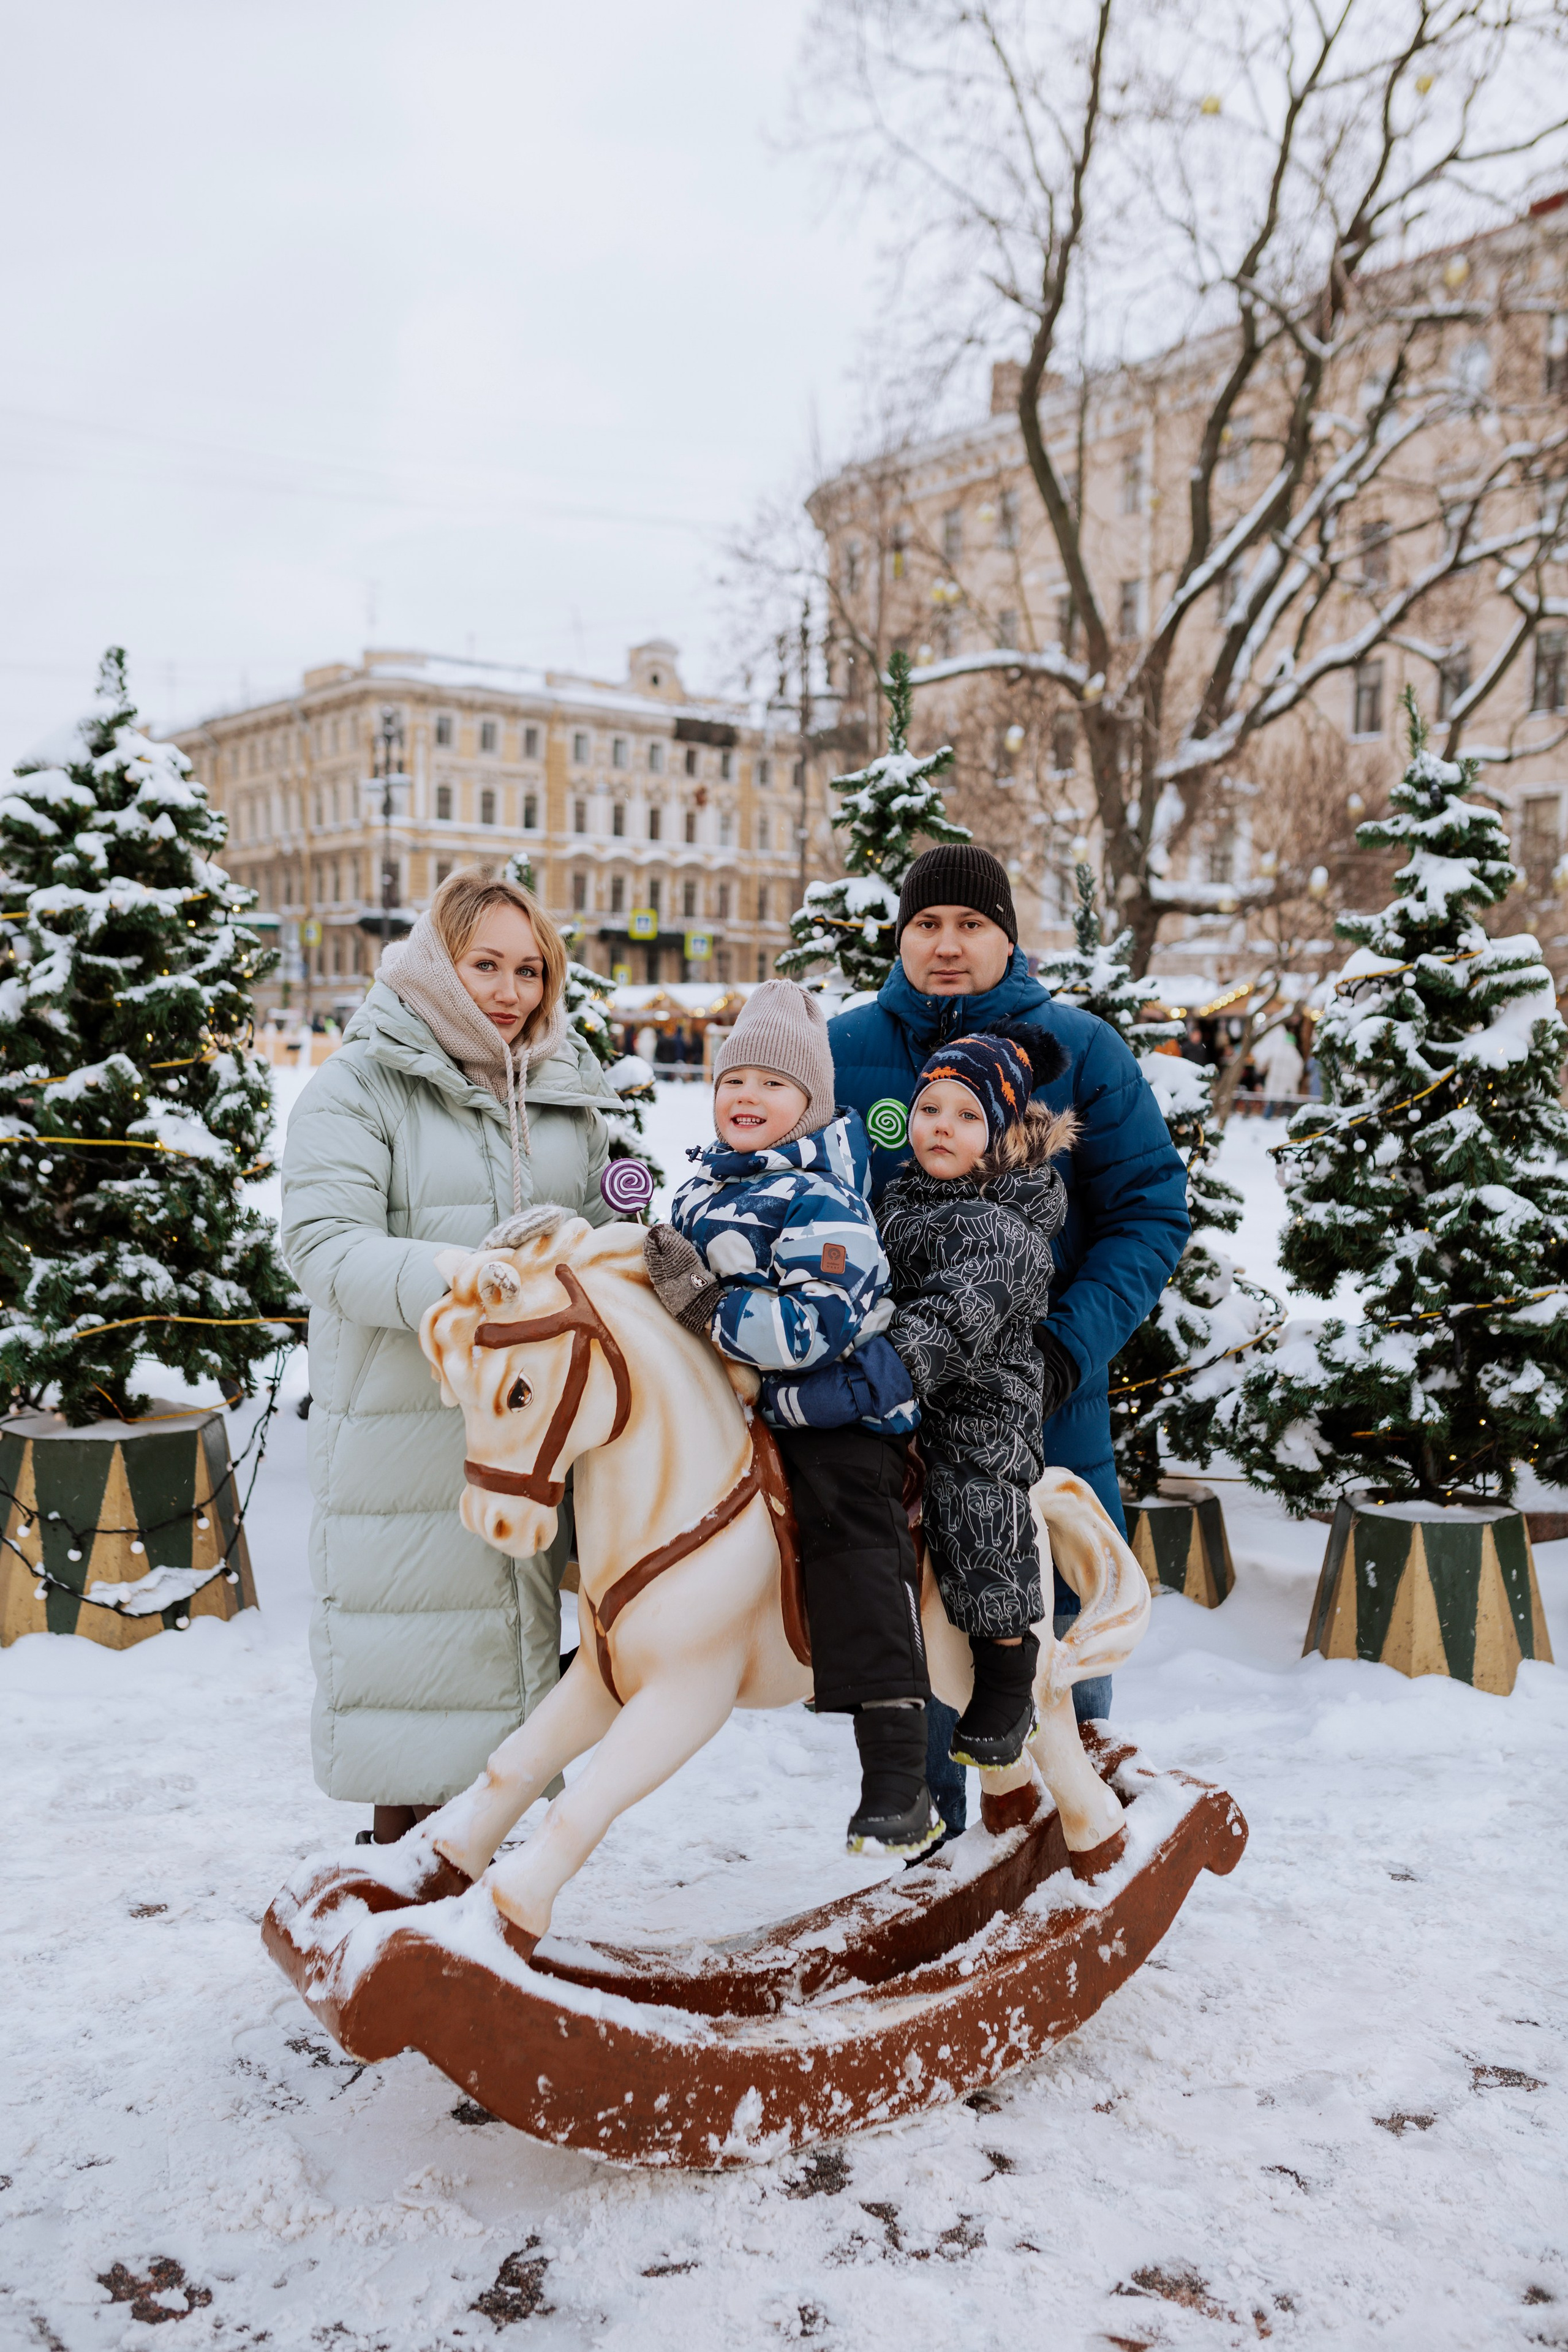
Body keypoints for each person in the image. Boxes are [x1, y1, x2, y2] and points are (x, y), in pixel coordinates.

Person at [827, 843, 1190, 1838]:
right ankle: (931, 1858)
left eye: (971, 924)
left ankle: (1065, 1851)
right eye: (926, 925)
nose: (948, 945)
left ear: (1008, 935)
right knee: (909, 1643)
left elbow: (1150, 1210)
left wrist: (1067, 1347)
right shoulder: (843, 1049)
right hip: (885, 1409)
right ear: (901, 937)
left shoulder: (1077, 1051)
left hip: (1042, 1412)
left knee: (1045, 1640)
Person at [281, 869, 620, 1845]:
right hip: (409, 1430)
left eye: (529, 971)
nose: (511, 993)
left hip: (529, 1431)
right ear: (436, 963)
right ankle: (400, 1880)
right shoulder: (358, 1086)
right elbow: (326, 1248)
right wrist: (465, 1279)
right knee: (415, 1681)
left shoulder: (563, 1090)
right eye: (485, 966)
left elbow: (595, 1230)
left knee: (512, 1664)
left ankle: (482, 1891)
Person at [641, 979, 938, 1858]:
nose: (748, 1098)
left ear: (810, 1107)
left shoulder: (823, 1201)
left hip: (835, 1407)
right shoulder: (700, 1188)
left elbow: (813, 1330)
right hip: (735, 1413)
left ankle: (894, 1756)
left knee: (849, 1520)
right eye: (736, 1081)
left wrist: (707, 1309)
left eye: (773, 1086)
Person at [879, 1025, 1076, 1766]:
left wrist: (871, 1376)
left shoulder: (1005, 1229)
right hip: (894, 1390)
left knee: (972, 1494)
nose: (942, 1127)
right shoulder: (897, 1198)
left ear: (997, 1135)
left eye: (967, 1117)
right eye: (931, 1109)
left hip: (981, 1398)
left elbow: (953, 1321)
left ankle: (1004, 1663)